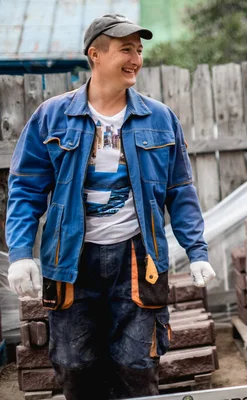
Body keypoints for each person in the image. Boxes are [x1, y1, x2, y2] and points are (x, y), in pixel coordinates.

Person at [6, 14, 216, 400]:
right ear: (96, 55)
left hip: (138, 259)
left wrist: (197, 250)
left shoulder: (160, 118)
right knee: (74, 364)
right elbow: (26, 188)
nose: (136, 58)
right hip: (70, 260)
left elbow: (180, 190)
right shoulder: (52, 116)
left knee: (137, 364)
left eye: (139, 50)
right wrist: (20, 253)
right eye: (125, 49)